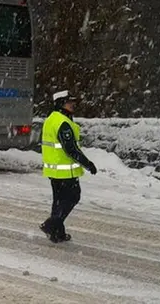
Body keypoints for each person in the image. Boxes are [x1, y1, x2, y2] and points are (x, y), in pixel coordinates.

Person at [39, 90, 97, 243]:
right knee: (73, 197)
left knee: (59, 201)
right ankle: (51, 225)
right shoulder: (62, 123)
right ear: (61, 104)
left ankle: (57, 233)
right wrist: (88, 164)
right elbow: (71, 149)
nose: (73, 104)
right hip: (65, 171)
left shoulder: (52, 119)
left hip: (54, 169)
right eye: (69, 102)